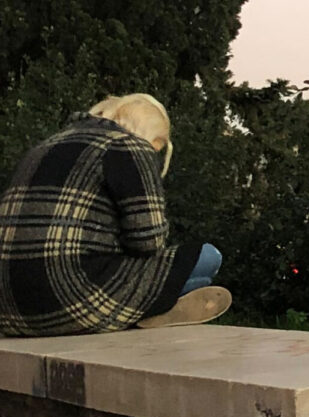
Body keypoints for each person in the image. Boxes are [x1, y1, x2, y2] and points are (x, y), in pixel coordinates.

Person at [0, 93, 231, 336]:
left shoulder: (43, 147)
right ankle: (151, 309)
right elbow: (149, 242)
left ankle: (149, 306)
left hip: (8, 309)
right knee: (206, 257)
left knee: (173, 276)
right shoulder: (129, 147)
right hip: (68, 297)